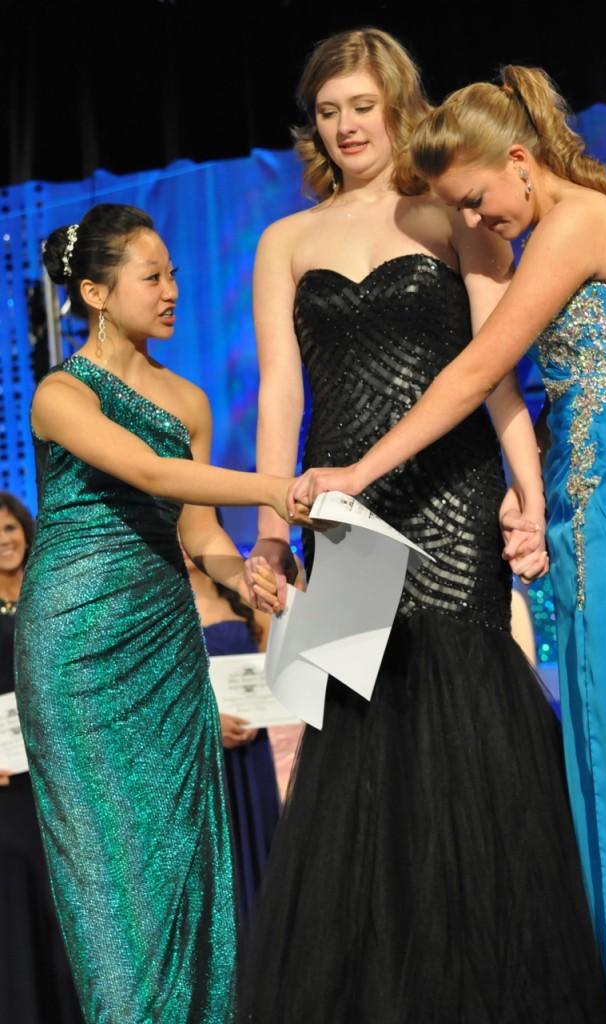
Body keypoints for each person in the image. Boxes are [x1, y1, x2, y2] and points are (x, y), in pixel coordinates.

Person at [289, 64, 606, 1024]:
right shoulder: (286, 241)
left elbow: (481, 371)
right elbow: (281, 390)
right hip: (399, 520)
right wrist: (279, 517)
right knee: (352, 746)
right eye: (328, 111)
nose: (477, 217)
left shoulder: (571, 221)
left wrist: (487, 477)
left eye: (364, 107)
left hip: (486, 495)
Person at [13, 203, 303, 1024]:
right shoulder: (60, 393)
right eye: (154, 277)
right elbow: (156, 476)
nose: (174, 290)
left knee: (182, 867)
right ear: (97, 293)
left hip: (165, 649)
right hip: (77, 651)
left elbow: (199, 532)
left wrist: (251, 580)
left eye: (174, 273)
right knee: (110, 877)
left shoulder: (189, 398)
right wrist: (279, 490)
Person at [0, 492, 83, 1024]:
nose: (4, 540)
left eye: (9, 528)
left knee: (72, 906)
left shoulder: (57, 593)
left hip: (66, 777)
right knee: (17, 907)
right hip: (8, 784)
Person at [183, 542, 281, 925]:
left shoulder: (245, 599)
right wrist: (205, 721)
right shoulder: (160, 609)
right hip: (197, 750)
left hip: (252, 747)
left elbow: (271, 666)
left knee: (261, 845)